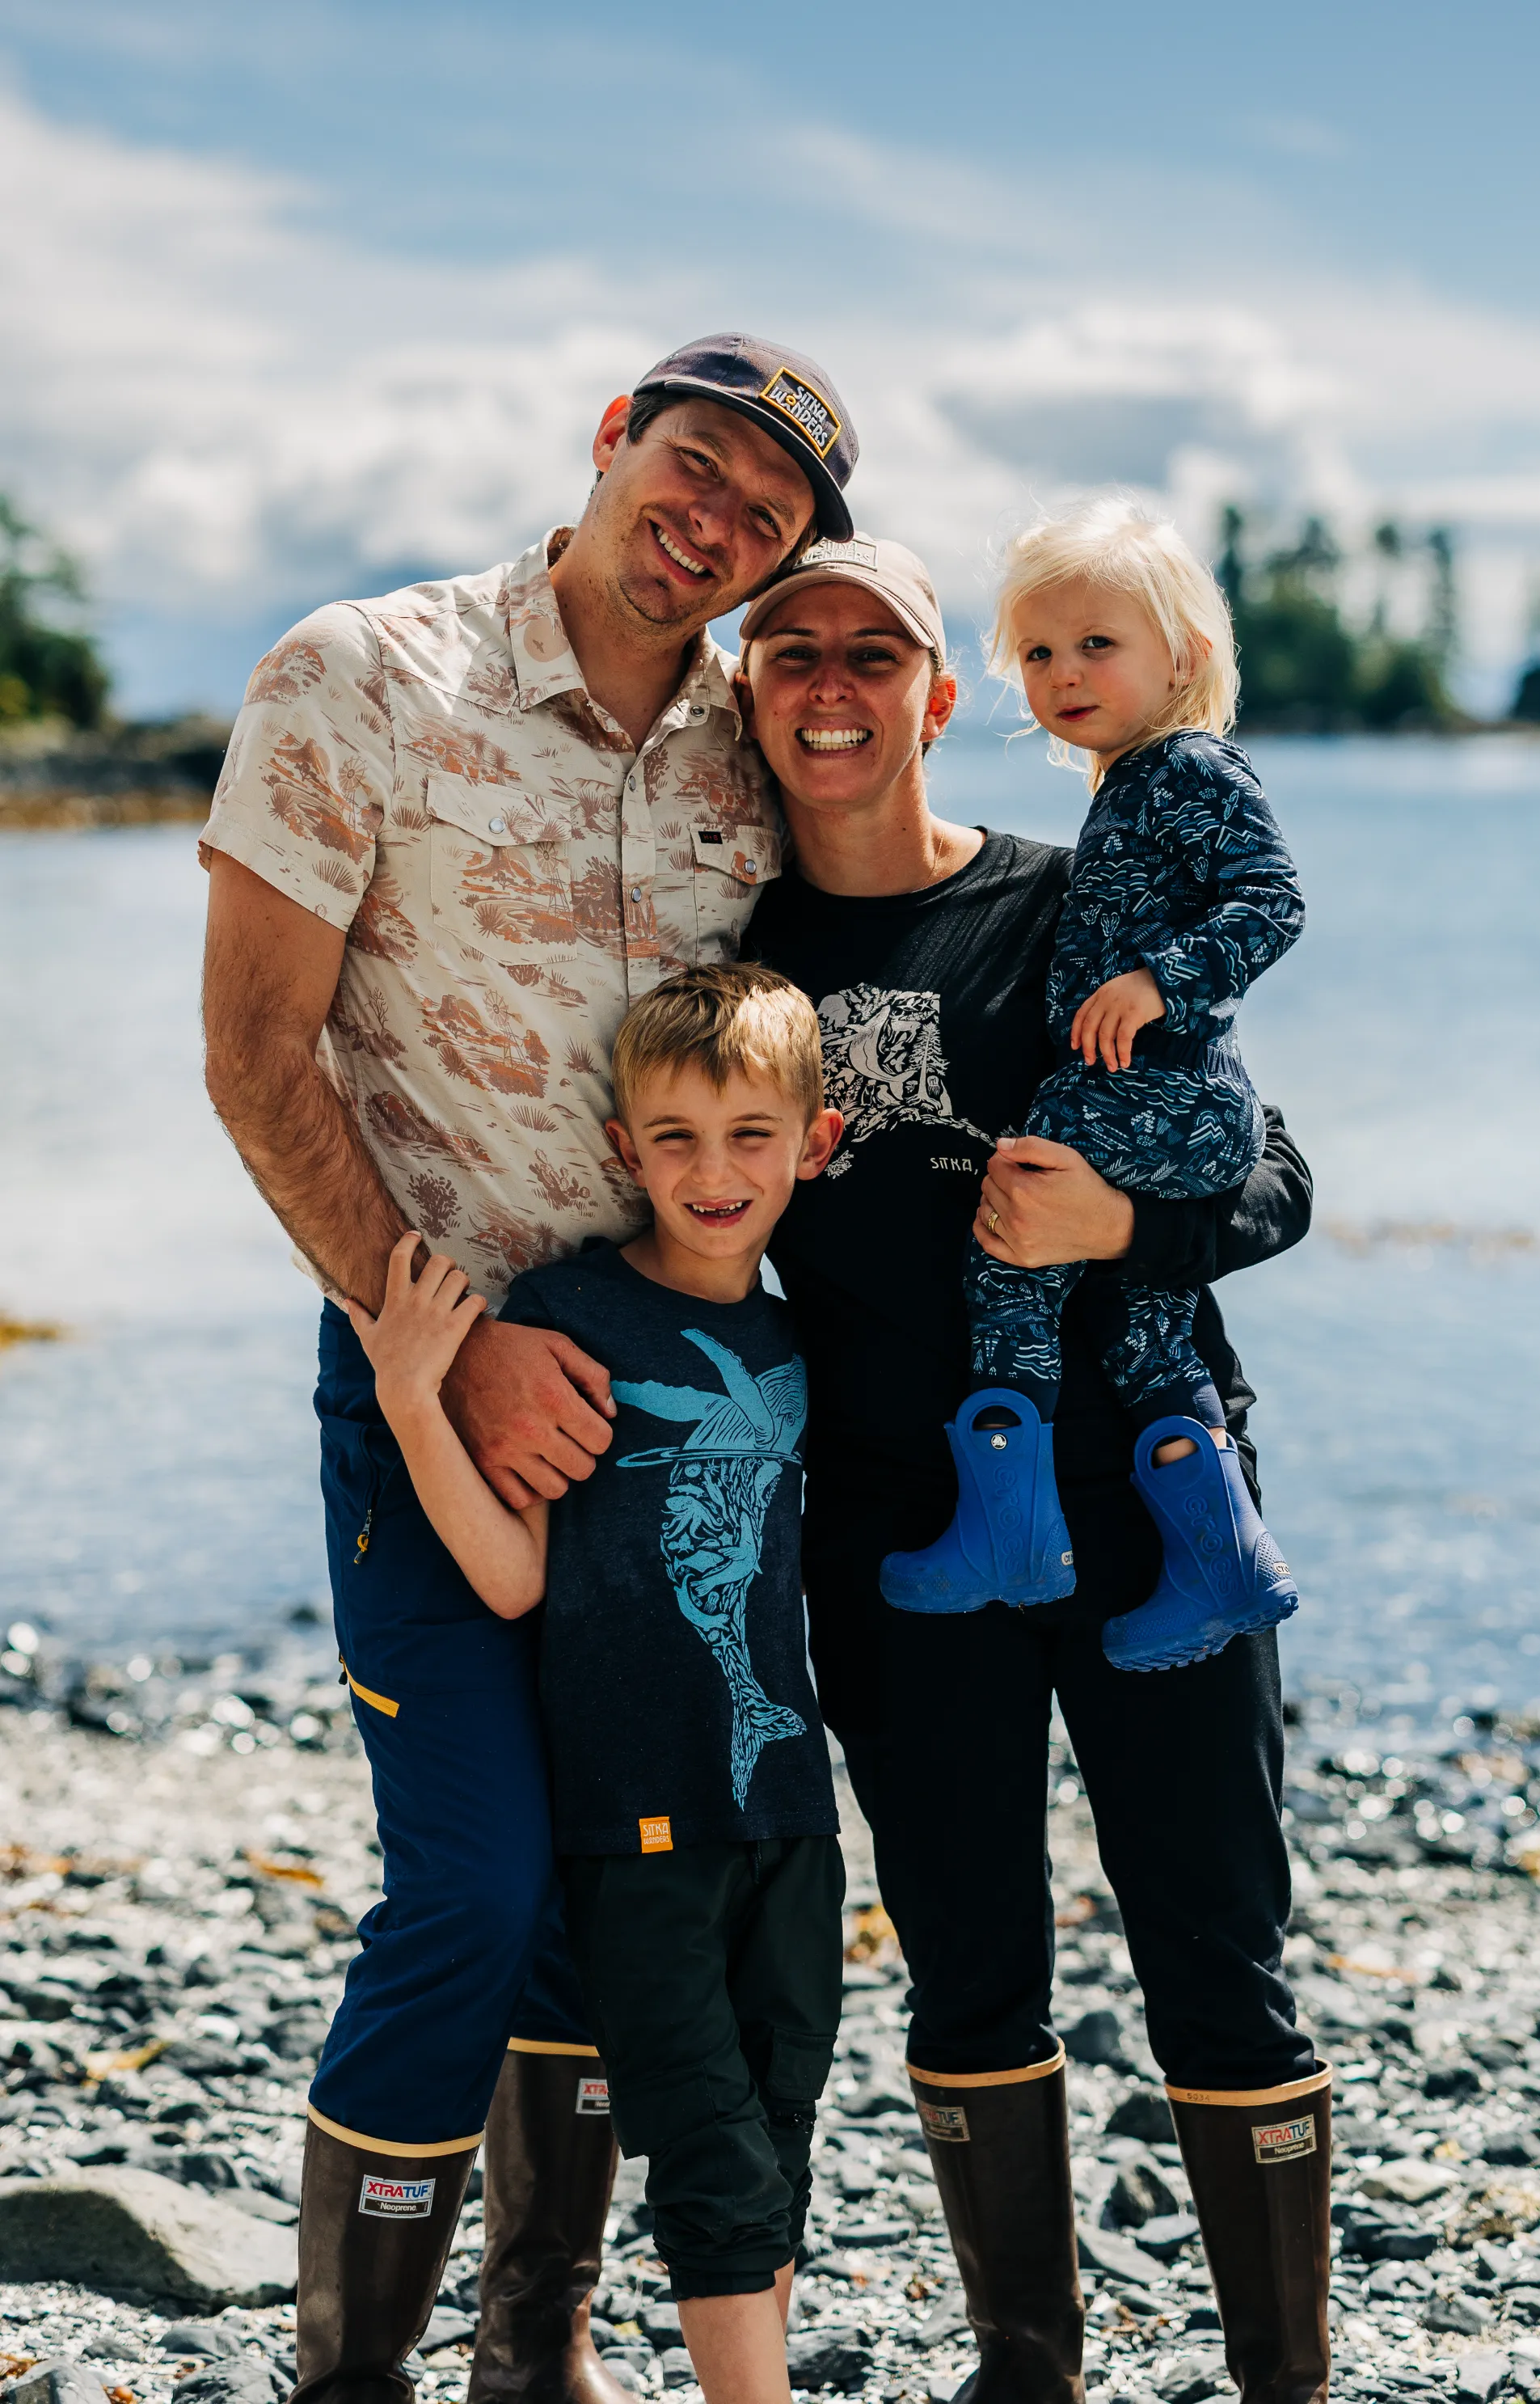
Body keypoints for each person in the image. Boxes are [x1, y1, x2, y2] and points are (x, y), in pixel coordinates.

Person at [197, 332, 859, 2404]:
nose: (714, 520)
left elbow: (875, 963)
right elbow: (254, 1058)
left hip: (676, 1431)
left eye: (765, 513)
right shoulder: (363, 673)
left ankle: (535, 2344)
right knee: (474, 1891)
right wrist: (463, 1356)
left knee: (603, 1885)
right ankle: (350, 2374)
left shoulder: (754, 749)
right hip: (434, 1391)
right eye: (696, 462)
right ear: (610, 438)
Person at [740, 534, 1331, 2404]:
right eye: (789, 652)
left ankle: (1287, 2380)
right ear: (748, 698)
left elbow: (1275, 1174)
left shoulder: (1075, 902)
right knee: (968, 1956)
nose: (832, 685)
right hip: (902, 1523)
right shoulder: (730, 959)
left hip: (1156, 1502)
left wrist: (1127, 1229)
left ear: (939, 697)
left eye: (876, 653)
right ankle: (1026, 2367)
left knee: (1220, 1945)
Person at [341, 965, 846, 2404]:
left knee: (780, 2133)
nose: (711, 1171)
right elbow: (516, 1578)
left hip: (790, 1812)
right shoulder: (570, 1314)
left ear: (813, 1144)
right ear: (623, 1148)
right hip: (638, 1827)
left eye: (750, 1136)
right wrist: (410, 1398)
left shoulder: (802, 1337)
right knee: (706, 2148)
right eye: (675, 1137)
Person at [883, 498, 1306, 1674]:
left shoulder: (1187, 768)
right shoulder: (1131, 779)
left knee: (1011, 1232)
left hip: (1151, 1091)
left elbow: (1274, 903)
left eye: (1097, 644)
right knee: (1142, 1329)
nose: (1063, 673)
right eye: (1037, 652)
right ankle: (1223, 1563)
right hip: (1180, 1101)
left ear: (1186, 654)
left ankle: (1009, 1534)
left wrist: (1158, 982)